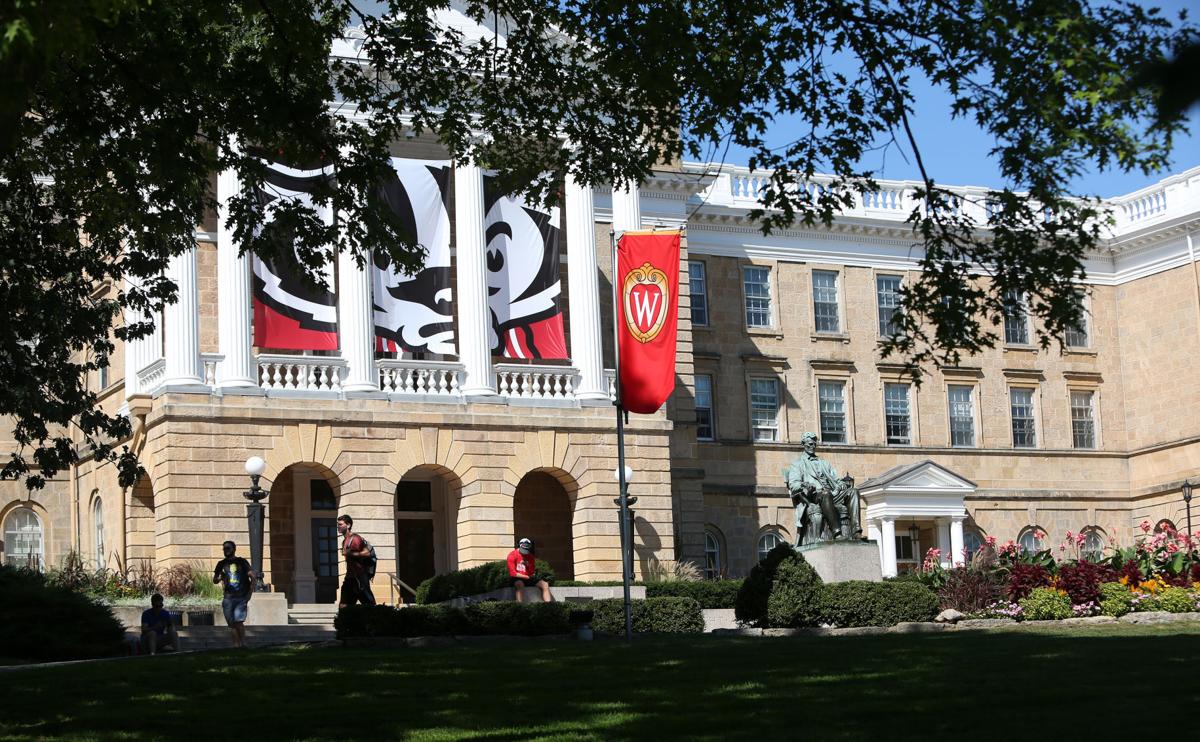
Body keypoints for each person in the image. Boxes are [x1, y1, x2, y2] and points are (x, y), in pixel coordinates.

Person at [213, 540, 255, 648]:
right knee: (231, 624)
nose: (226, 551)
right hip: (228, 598)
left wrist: (250, 592)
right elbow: (215, 580)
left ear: (234, 549)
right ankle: (236, 644)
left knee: (238, 622)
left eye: (228, 548)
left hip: (241, 597)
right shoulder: (221, 564)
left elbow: (252, 576)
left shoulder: (242, 562)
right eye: (224, 549)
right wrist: (219, 578)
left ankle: (244, 643)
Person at [336, 514, 376, 608]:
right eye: (338, 524)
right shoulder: (345, 540)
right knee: (343, 605)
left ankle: (376, 620)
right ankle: (346, 622)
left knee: (369, 605)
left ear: (348, 525)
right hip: (350, 577)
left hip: (359, 577)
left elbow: (367, 553)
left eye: (340, 524)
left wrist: (351, 554)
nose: (338, 526)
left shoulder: (355, 538)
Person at [507, 537, 552, 603]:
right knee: (520, 584)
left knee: (545, 584)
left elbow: (532, 572)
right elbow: (513, 573)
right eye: (523, 549)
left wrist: (527, 565)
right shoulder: (512, 555)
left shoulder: (530, 556)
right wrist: (526, 577)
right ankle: (520, 605)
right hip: (517, 577)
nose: (525, 551)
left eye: (526, 549)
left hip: (528, 577)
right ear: (520, 546)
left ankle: (548, 605)